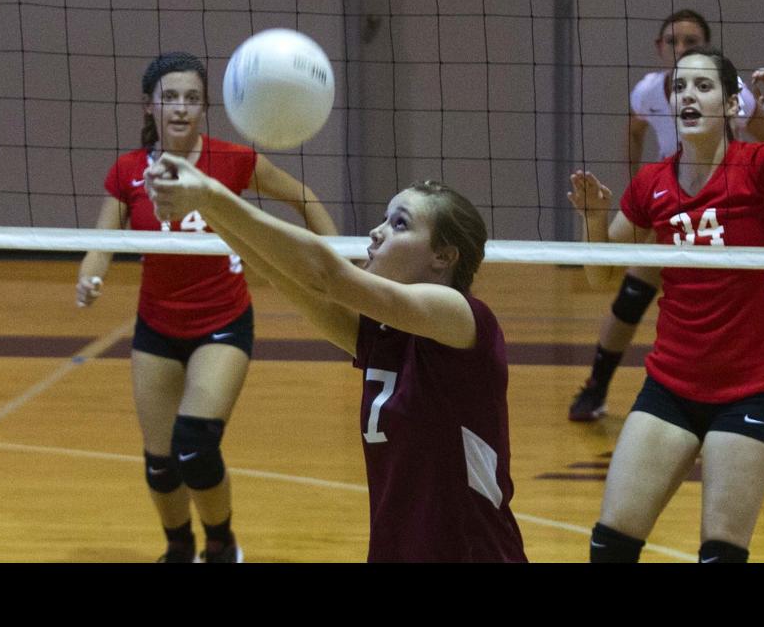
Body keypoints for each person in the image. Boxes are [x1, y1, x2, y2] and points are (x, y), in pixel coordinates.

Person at [568, 49, 764, 562]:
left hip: (751, 393)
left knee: (720, 554)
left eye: (703, 86)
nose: (687, 94)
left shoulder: (763, 168)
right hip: (670, 386)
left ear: (733, 105)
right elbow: (600, 273)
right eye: (680, 86)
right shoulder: (652, 185)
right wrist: (594, 218)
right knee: (610, 544)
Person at [143, 155, 527, 563]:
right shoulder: (386, 334)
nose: (377, 233)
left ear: (443, 257)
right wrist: (205, 207)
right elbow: (285, 275)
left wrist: (213, 193)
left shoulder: (462, 316)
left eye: (399, 224)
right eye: (384, 219)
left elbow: (326, 277)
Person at [74, 51, 339, 563]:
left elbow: (302, 196)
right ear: (149, 106)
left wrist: (339, 256)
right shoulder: (129, 171)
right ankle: (178, 547)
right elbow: (100, 240)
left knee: (194, 444)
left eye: (191, 99)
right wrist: (91, 274)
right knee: (160, 463)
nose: (180, 108)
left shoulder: (232, 160)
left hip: (222, 324)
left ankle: (221, 544)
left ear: (204, 108)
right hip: (156, 327)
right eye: (169, 97)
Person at [567, 9, 764, 427]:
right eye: (672, 41)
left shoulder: (732, 94)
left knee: (757, 296)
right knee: (630, 299)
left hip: (722, 205)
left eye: (691, 42)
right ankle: (596, 388)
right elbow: (635, 131)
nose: (680, 48)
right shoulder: (647, 91)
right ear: (659, 49)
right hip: (668, 206)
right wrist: (638, 187)